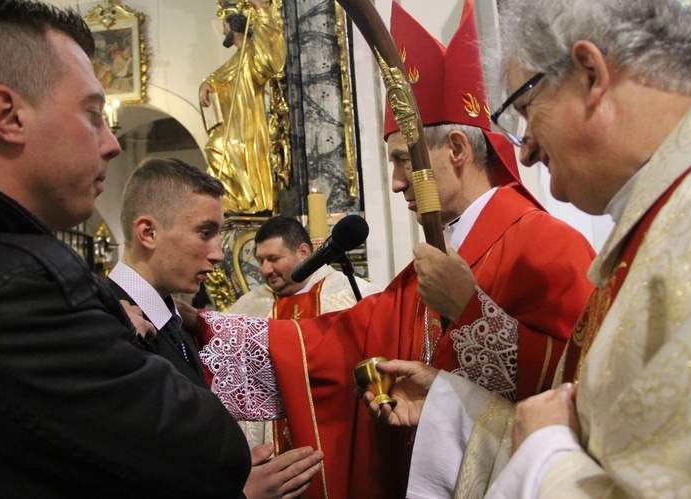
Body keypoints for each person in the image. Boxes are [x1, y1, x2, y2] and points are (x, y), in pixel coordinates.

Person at [193, 3, 596, 498]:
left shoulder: (545, 245)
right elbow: (340, 342)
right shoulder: (436, 259)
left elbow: (584, 389)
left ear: (455, 148)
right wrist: (195, 335)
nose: (397, 181)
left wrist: (470, 312)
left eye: (404, 160)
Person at [362, 0, 691, 497]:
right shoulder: (668, 214)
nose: (523, 150)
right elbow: (600, 437)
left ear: (591, 74)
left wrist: (545, 454)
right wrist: (449, 405)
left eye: (525, 110)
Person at [0, 1, 252, 496]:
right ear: (8, 115)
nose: (112, 144)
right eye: (93, 115)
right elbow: (212, 450)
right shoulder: (21, 290)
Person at [108, 158, 323, 498]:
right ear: (148, 233)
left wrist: (224, 469)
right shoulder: (108, 325)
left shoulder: (170, 316)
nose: (218, 254)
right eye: (204, 233)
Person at [226, 215, 380, 451]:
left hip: (338, 429)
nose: (265, 269)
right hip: (273, 446)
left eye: (273, 259)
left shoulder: (352, 295)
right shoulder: (245, 309)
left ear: (304, 252)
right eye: (260, 260)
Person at [198, 0, 286, 214]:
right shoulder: (235, 59)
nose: (222, 30)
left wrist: (260, 9)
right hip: (233, 122)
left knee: (216, 147)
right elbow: (218, 75)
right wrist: (206, 85)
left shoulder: (251, 52)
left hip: (248, 121)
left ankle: (250, 199)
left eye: (225, 27)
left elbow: (267, 47)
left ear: (235, 29)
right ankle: (237, 200)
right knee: (215, 146)